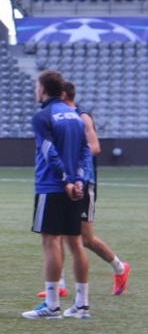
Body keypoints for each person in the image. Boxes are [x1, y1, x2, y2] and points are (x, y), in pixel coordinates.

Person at [36, 81, 130, 298]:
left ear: (62, 95)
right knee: (55, 233)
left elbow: (94, 147)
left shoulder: (81, 116)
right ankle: (58, 284)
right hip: (65, 182)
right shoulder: (60, 118)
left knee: (85, 239)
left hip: (84, 183)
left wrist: (69, 152)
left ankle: (120, 268)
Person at [23, 70, 92, 319]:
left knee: (50, 241)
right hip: (76, 187)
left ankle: (52, 305)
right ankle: (82, 305)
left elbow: (48, 150)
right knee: (75, 242)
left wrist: (64, 180)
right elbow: (86, 151)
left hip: (51, 186)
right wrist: (79, 180)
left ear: (43, 89)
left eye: (36, 86)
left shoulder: (42, 116)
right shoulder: (75, 115)